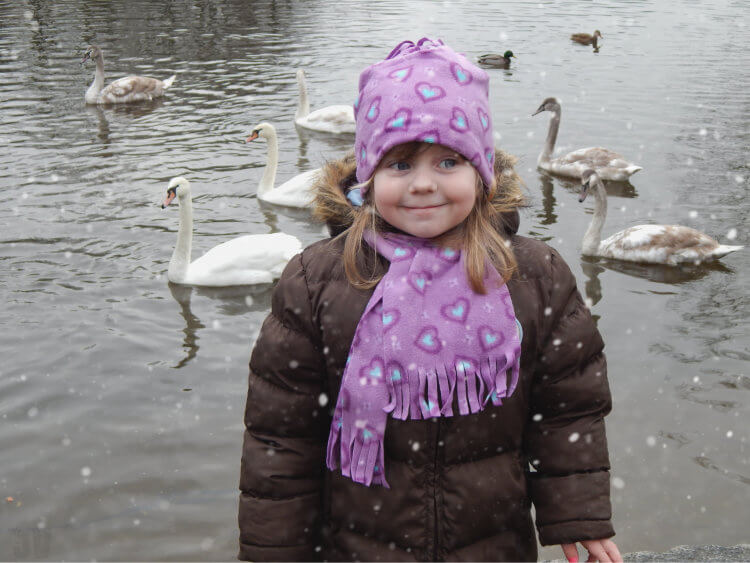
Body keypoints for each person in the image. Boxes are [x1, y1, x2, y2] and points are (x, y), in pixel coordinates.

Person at [238, 37, 621, 562]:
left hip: (492, 545)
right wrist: (275, 551)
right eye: (399, 165)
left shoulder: (533, 276)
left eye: (447, 162)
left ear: (482, 173)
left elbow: (567, 410)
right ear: (368, 178)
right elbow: (280, 437)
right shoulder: (318, 280)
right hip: (359, 546)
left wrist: (577, 511)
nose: (422, 184)